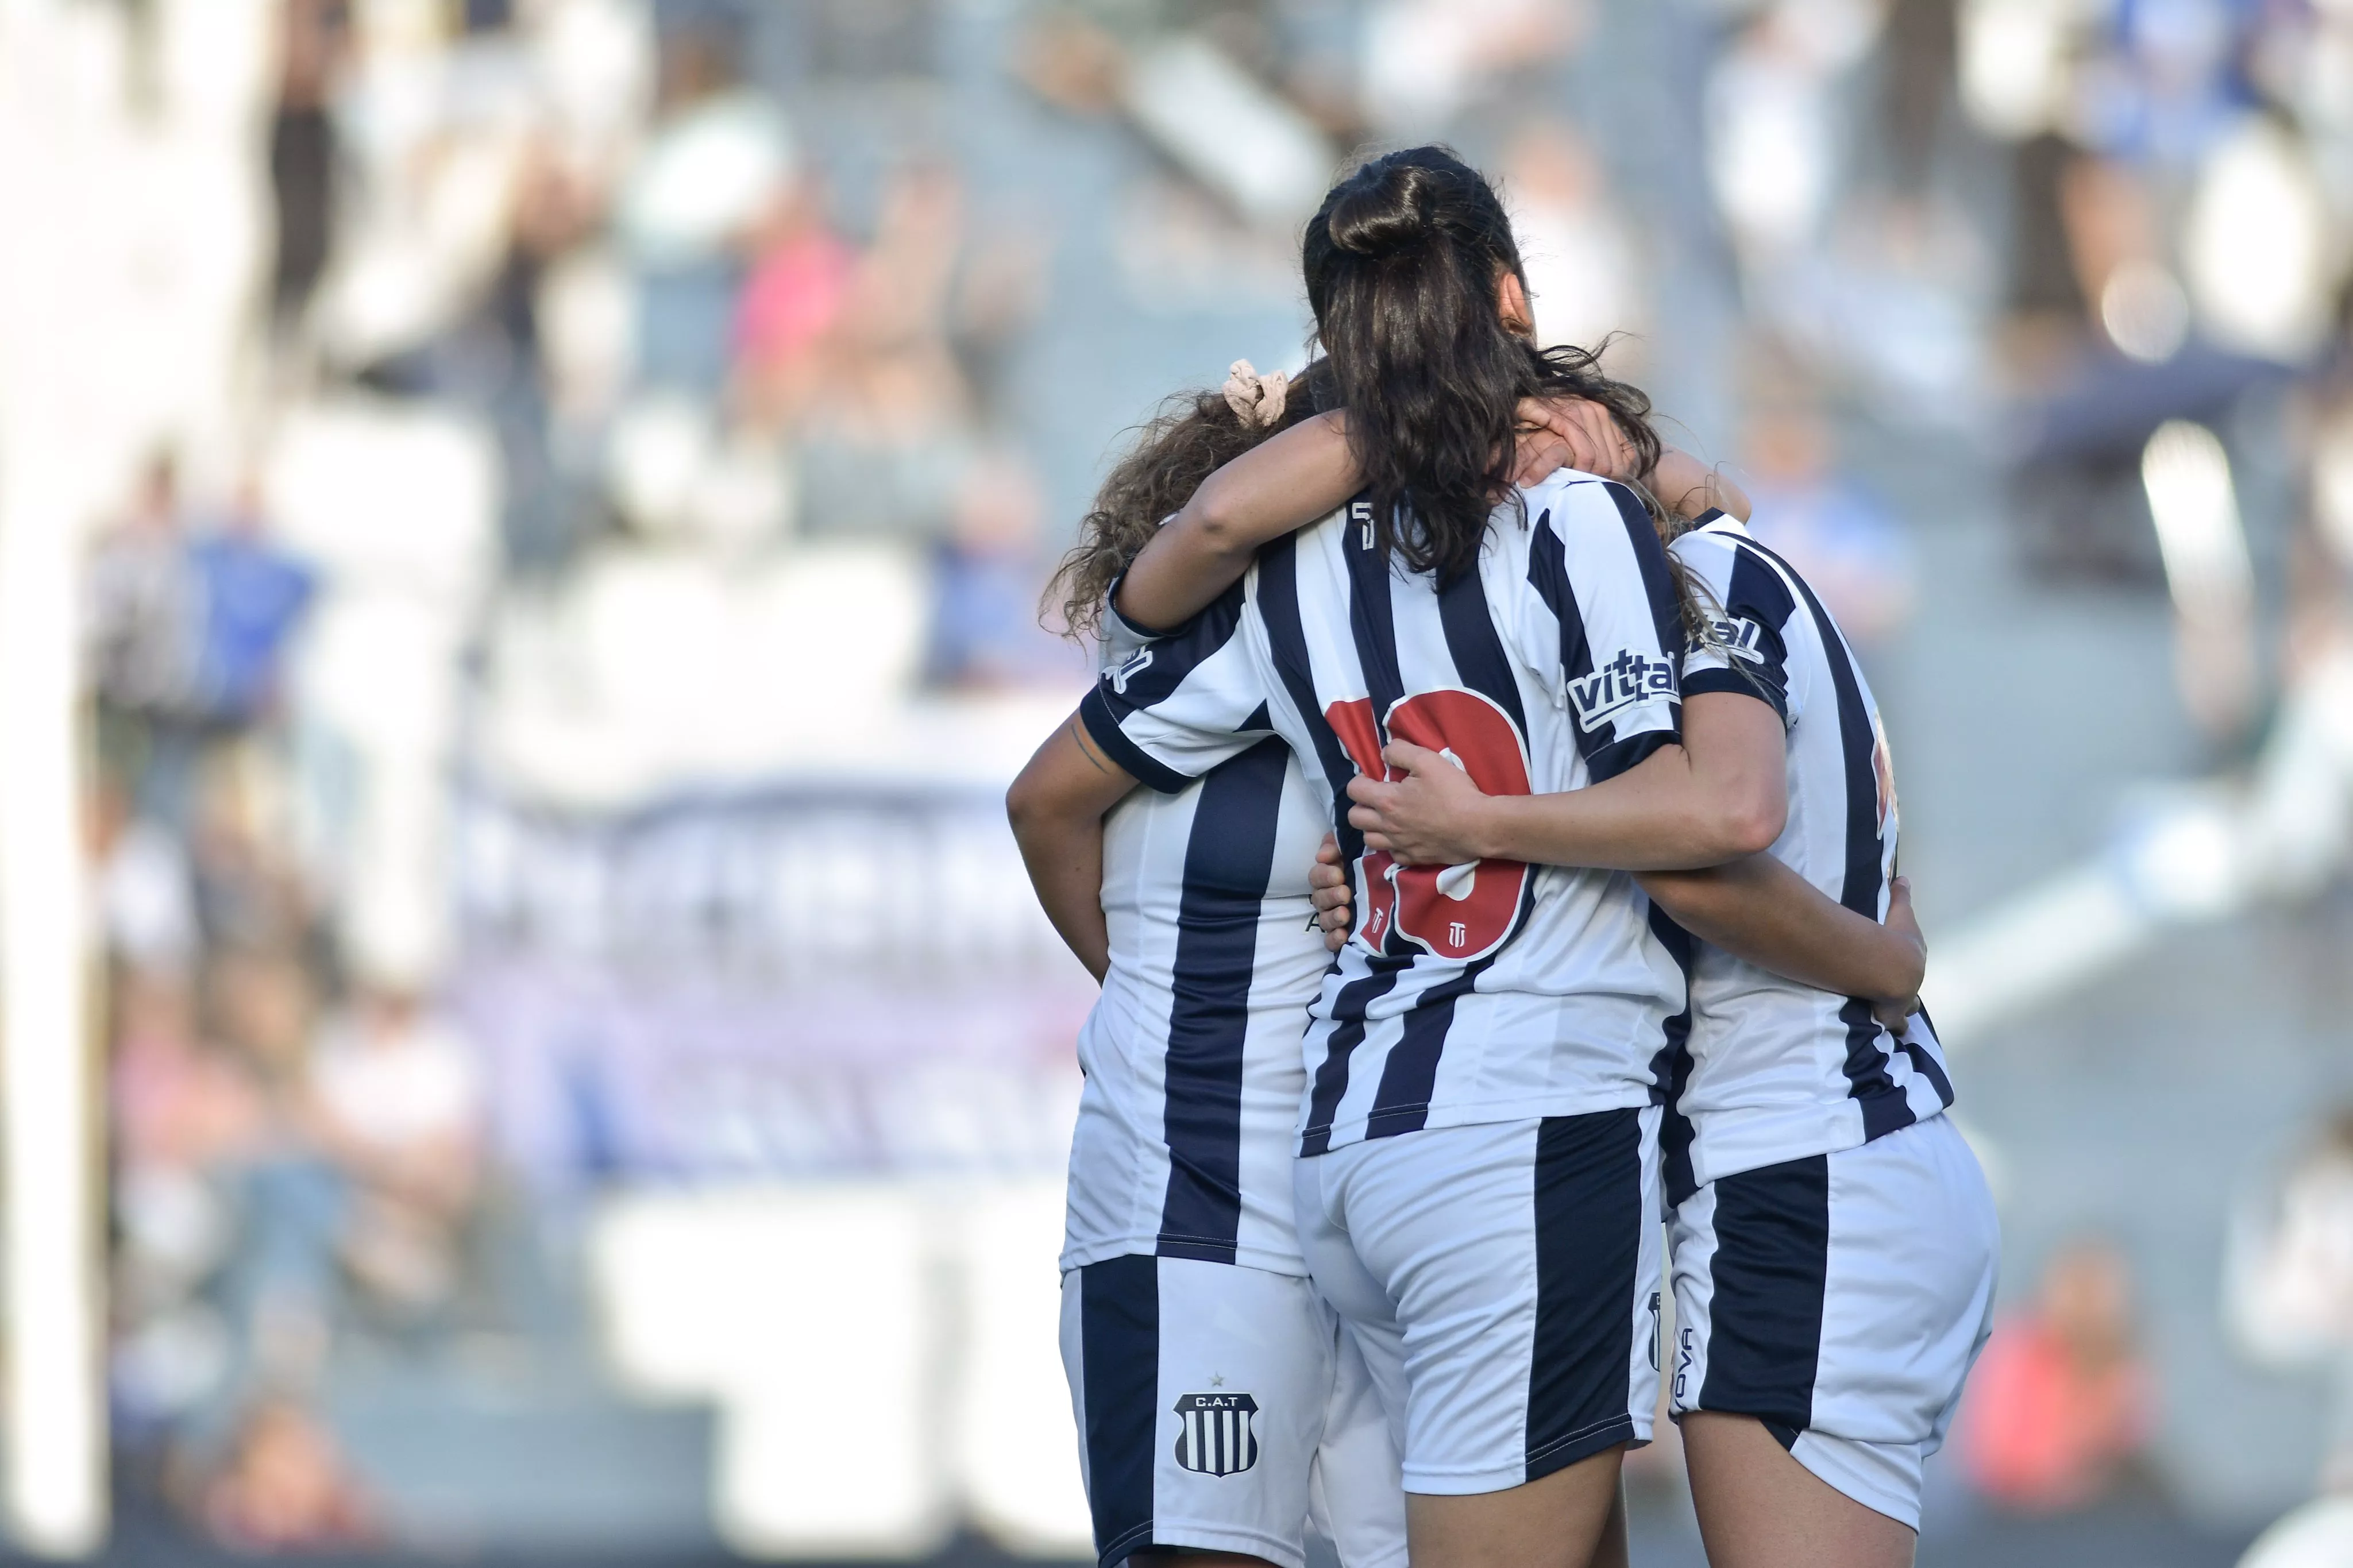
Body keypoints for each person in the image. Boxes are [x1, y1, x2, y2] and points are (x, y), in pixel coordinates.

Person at [1020, 146, 1930, 1568]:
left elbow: (1158, 584)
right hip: (1520, 1128)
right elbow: (1706, 820)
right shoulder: (1574, 516)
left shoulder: (1285, 559)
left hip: (1351, 1141)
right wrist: (1879, 951)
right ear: (1509, 298)